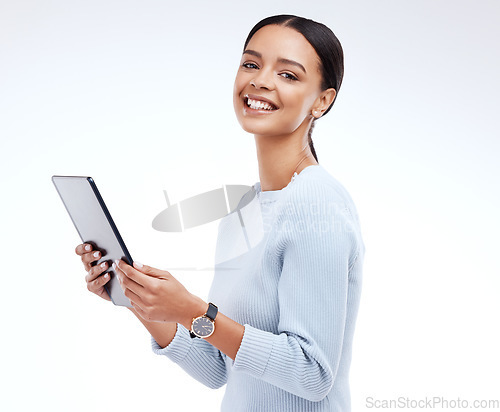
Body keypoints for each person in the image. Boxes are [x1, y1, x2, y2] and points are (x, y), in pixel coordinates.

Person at [76, 14, 365, 411]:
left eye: (289, 75)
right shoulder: (245, 210)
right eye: (251, 64)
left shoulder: (319, 203)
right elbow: (217, 368)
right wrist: (141, 300)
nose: (260, 80)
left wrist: (193, 309)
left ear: (322, 100)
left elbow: (312, 374)